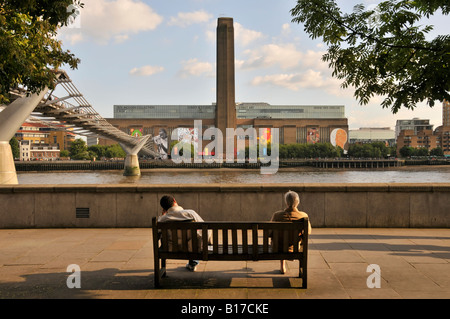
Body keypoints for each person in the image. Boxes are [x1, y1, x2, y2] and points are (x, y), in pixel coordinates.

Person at [158, 195, 205, 271]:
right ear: (174, 200)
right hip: (192, 249)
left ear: (164, 208)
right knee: (194, 238)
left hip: (171, 249)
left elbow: (158, 234)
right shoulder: (190, 213)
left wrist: (162, 216)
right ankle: (193, 262)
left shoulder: (163, 219)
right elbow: (204, 229)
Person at [270, 191, 312, 274]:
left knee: (279, 238)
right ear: (298, 202)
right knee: (294, 239)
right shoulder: (303, 216)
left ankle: (282, 266)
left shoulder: (277, 215)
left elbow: (269, 233)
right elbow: (308, 232)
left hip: (277, 248)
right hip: (294, 248)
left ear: (286, 202)